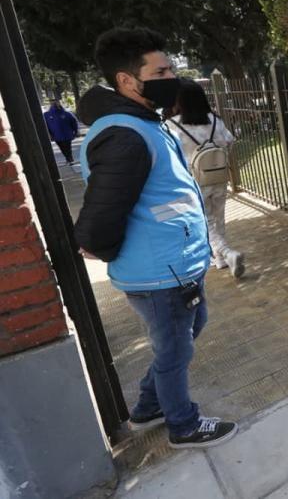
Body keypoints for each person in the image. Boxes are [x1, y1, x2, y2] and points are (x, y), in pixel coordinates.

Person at [74, 27, 236, 448]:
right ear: (128, 80)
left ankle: (149, 407)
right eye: (162, 70)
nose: (173, 76)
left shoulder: (142, 121)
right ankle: (182, 424)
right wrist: (109, 249)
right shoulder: (125, 134)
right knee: (176, 351)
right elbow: (98, 220)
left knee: (185, 332)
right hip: (160, 272)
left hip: (172, 263)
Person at [168, 78, 245, 278]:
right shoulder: (215, 120)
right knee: (218, 218)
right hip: (219, 177)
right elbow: (229, 141)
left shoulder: (171, 126)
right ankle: (220, 259)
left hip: (192, 181)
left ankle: (227, 253)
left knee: (205, 221)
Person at [44, 98, 80, 164]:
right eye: (52, 103)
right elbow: (45, 126)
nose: (54, 104)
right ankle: (68, 159)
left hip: (67, 135)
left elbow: (74, 122)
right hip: (56, 135)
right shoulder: (46, 115)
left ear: (59, 103)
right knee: (62, 148)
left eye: (56, 102)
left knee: (67, 148)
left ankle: (70, 159)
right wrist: (49, 134)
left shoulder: (67, 114)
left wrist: (76, 131)